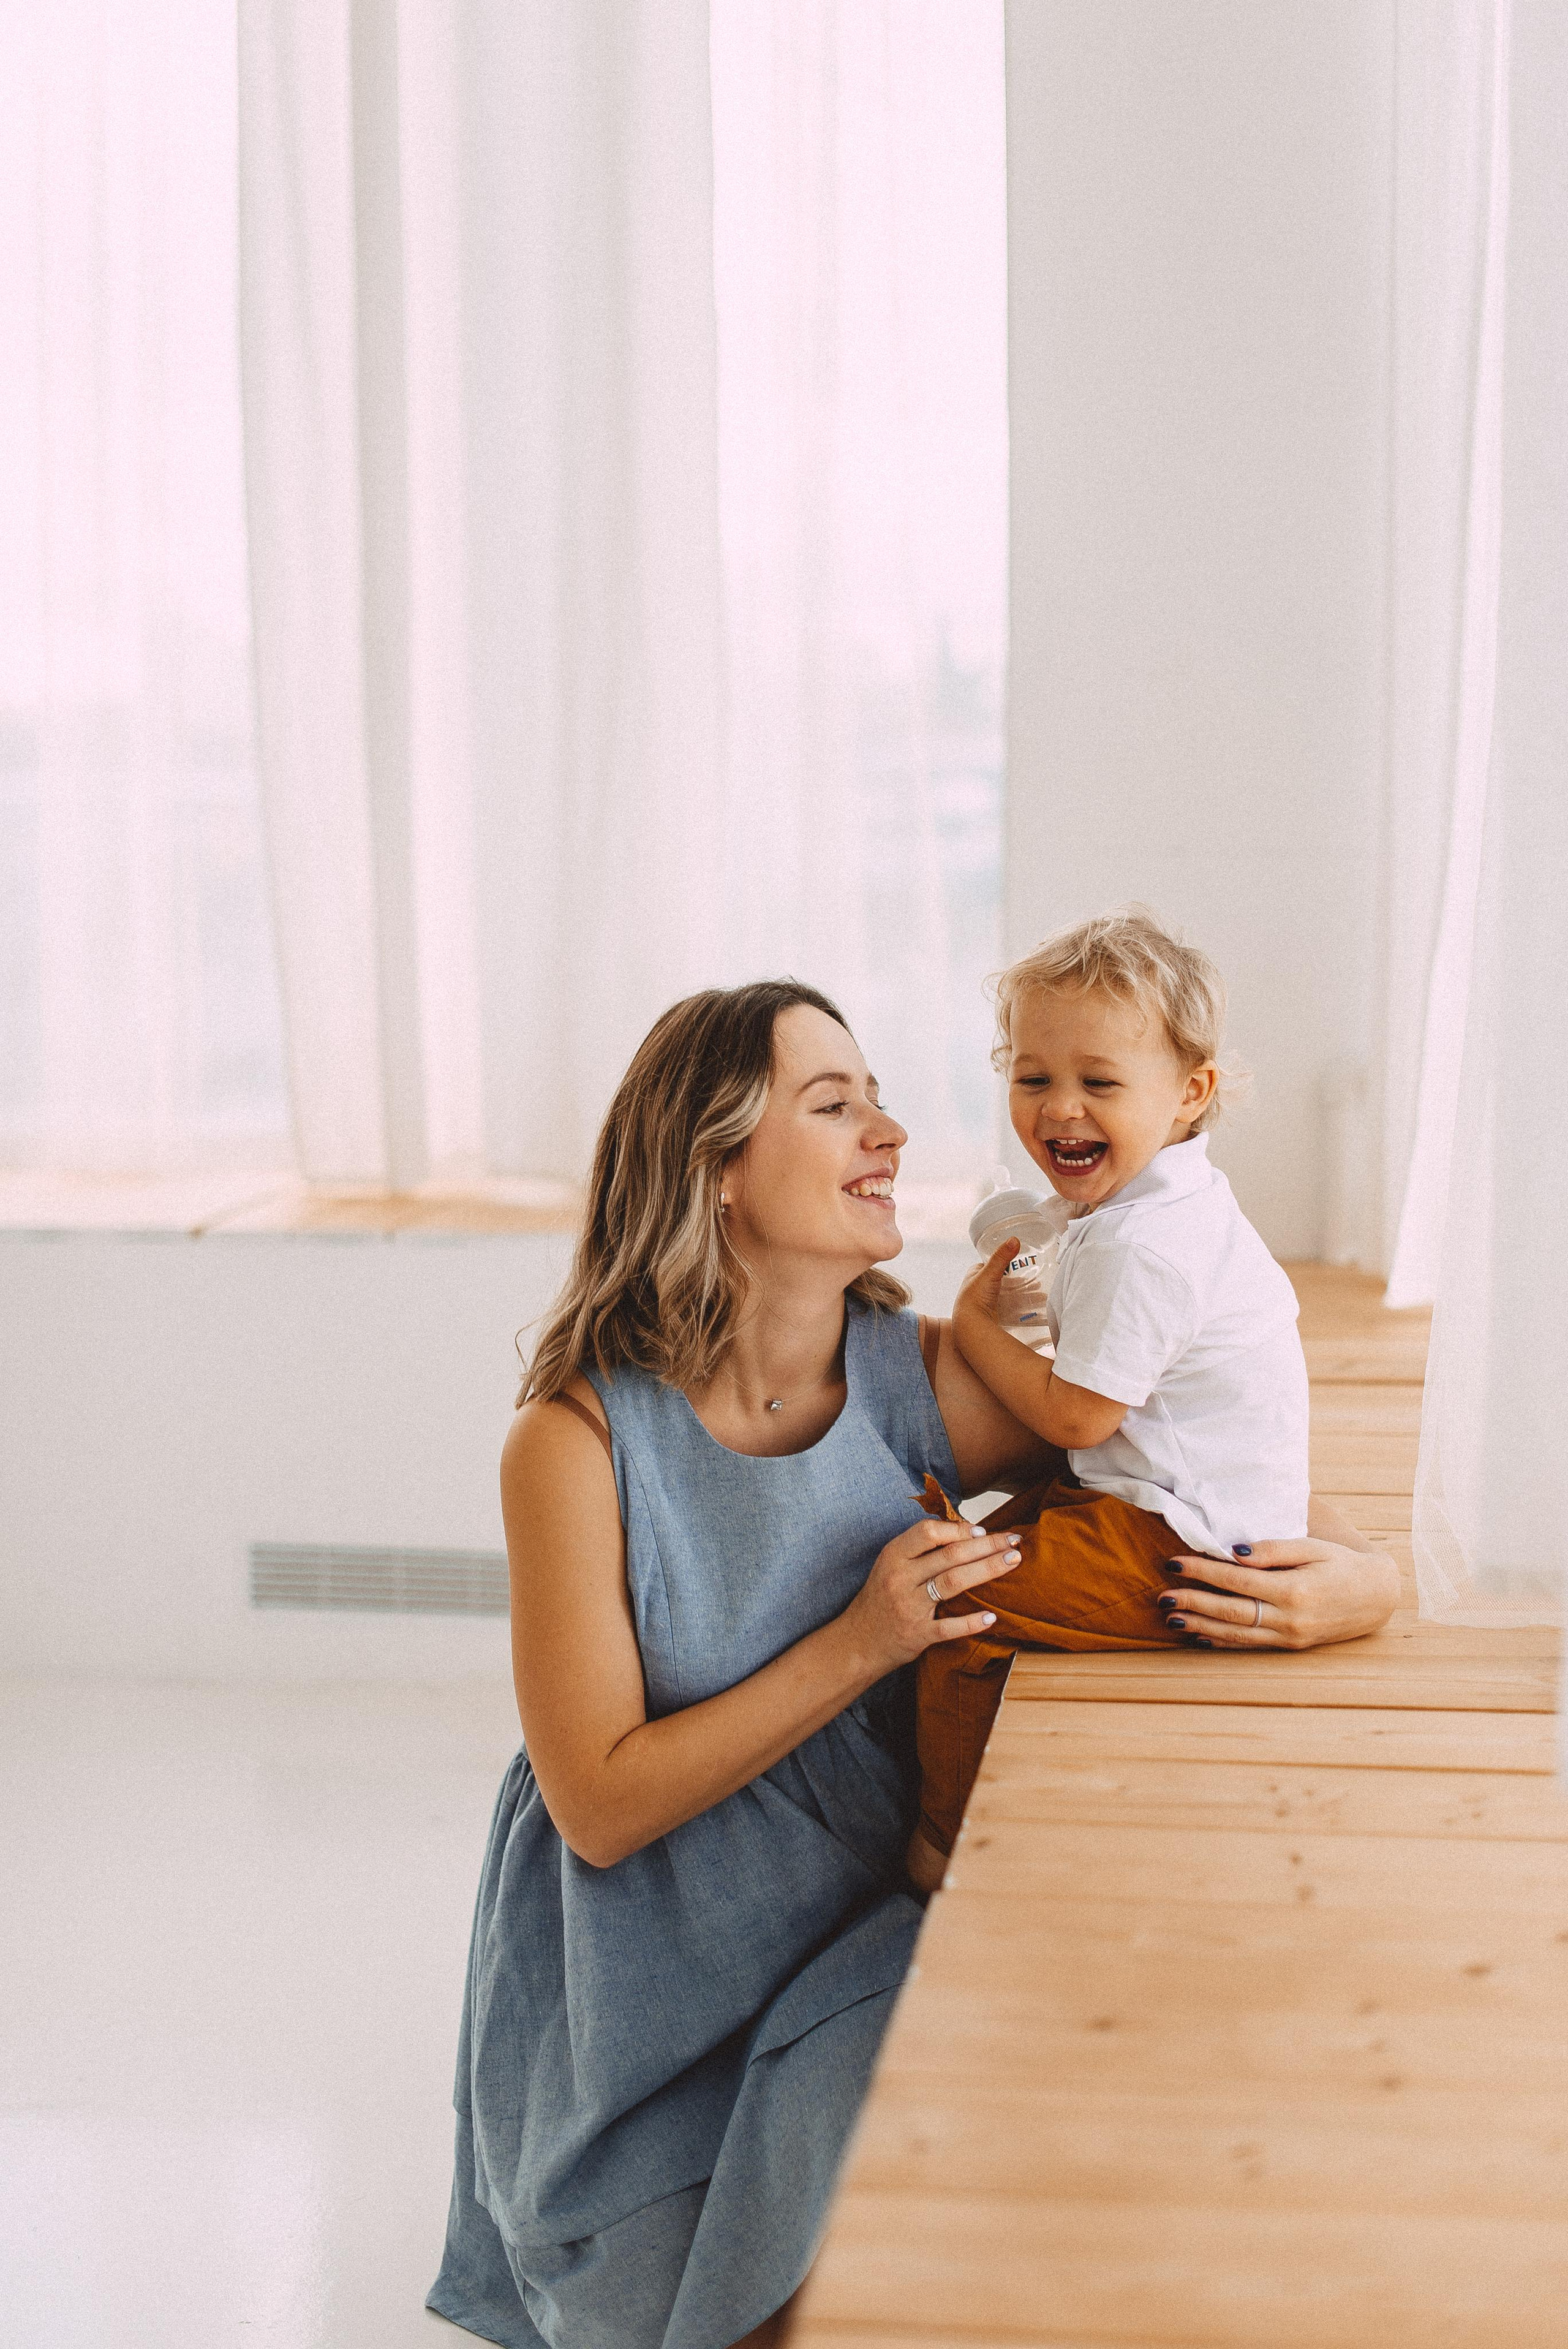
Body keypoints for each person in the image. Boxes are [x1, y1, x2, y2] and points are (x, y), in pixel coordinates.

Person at [428, 977, 1398, 2349]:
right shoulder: (575, 1444)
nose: (889, 1131)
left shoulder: (912, 1384)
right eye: (833, 1105)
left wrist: (1365, 1580)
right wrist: (861, 1642)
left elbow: (1219, 1477)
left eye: (876, 1095)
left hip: (852, 1943)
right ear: (713, 1168)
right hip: (639, 2014)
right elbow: (597, 1801)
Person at [908, 909, 1327, 1888]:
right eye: (1032, 1077)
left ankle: (943, 1846)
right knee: (975, 1538)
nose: (1060, 1110)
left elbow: (1074, 1417)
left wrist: (974, 1329)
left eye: (1099, 1082)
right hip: (1159, 1498)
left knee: (953, 1604)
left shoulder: (1147, 1243)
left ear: (1191, 1094)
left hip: (1181, 1539)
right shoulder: (1142, 1205)